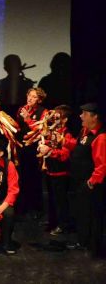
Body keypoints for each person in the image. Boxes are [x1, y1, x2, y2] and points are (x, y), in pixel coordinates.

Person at [68, 103, 106, 256]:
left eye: (84, 113)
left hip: (90, 184)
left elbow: (102, 165)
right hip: (79, 181)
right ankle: (83, 241)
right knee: (82, 212)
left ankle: (93, 246)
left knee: (92, 215)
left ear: (94, 117)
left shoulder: (101, 138)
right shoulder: (85, 131)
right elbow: (77, 146)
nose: (80, 116)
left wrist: (91, 182)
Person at [37, 105, 75, 235]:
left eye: (58, 116)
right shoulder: (53, 130)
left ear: (64, 119)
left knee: (60, 200)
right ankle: (52, 221)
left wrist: (50, 151)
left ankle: (63, 224)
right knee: (52, 199)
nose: (54, 117)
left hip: (61, 172)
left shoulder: (67, 133)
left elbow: (65, 154)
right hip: (50, 170)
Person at [15, 87, 48, 217]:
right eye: (29, 95)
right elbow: (17, 127)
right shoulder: (21, 109)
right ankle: (23, 207)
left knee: (34, 178)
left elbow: (41, 130)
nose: (30, 98)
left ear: (39, 99)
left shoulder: (43, 111)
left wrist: (28, 119)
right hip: (22, 148)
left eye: (34, 97)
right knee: (22, 177)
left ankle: (36, 209)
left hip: (35, 149)